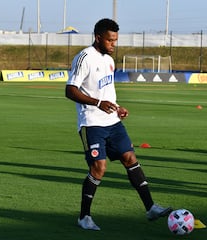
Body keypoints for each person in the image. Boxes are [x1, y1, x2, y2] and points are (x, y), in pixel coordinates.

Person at [65, 18, 172, 231]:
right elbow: (70, 90)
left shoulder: (109, 60)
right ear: (98, 38)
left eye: (116, 40)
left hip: (112, 121)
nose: (114, 44)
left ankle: (150, 208)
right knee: (99, 168)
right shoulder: (84, 57)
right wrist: (97, 103)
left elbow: (105, 92)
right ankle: (84, 217)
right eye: (110, 40)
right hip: (92, 123)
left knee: (130, 158)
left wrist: (117, 106)